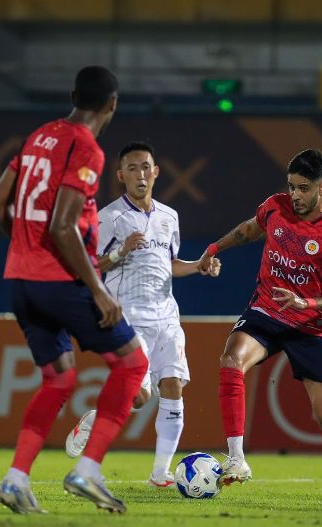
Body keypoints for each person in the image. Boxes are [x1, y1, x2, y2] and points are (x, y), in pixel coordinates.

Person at [0, 66, 149, 515]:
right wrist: (98, 290)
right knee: (133, 364)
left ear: (73, 95)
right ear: (112, 104)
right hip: (58, 281)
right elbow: (62, 225)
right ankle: (88, 470)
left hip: (19, 280)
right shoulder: (87, 147)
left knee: (59, 378)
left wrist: (24, 248)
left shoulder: (40, 136)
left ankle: (16, 480)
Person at [196, 149, 322, 500]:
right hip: (266, 310)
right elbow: (248, 231)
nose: (295, 195)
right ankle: (237, 459)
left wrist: (306, 302)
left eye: (302, 188)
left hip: (308, 324)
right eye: (291, 187)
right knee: (231, 359)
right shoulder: (275, 206)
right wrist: (214, 248)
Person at [63, 141, 222, 487]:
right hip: (129, 316)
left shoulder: (169, 217)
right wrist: (120, 252)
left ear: (156, 172)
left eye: (146, 167)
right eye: (132, 169)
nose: (140, 174)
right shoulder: (109, 217)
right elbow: (87, 266)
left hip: (167, 316)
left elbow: (170, 264)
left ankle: (159, 474)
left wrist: (200, 266)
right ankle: (93, 418)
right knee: (138, 397)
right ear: (120, 176)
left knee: (173, 386)